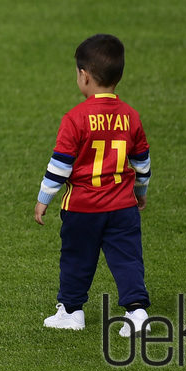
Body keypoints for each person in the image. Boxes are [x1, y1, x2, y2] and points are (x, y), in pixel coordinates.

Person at [34, 34, 152, 334]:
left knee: (76, 259)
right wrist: (140, 193)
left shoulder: (75, 119)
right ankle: (137, 314)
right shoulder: (131, 117)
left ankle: (72, 312)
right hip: (122, 207)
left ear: (84, 76)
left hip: (82, 209)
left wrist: (43, 199)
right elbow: (142, 163)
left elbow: (59, 166)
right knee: (127, 259)